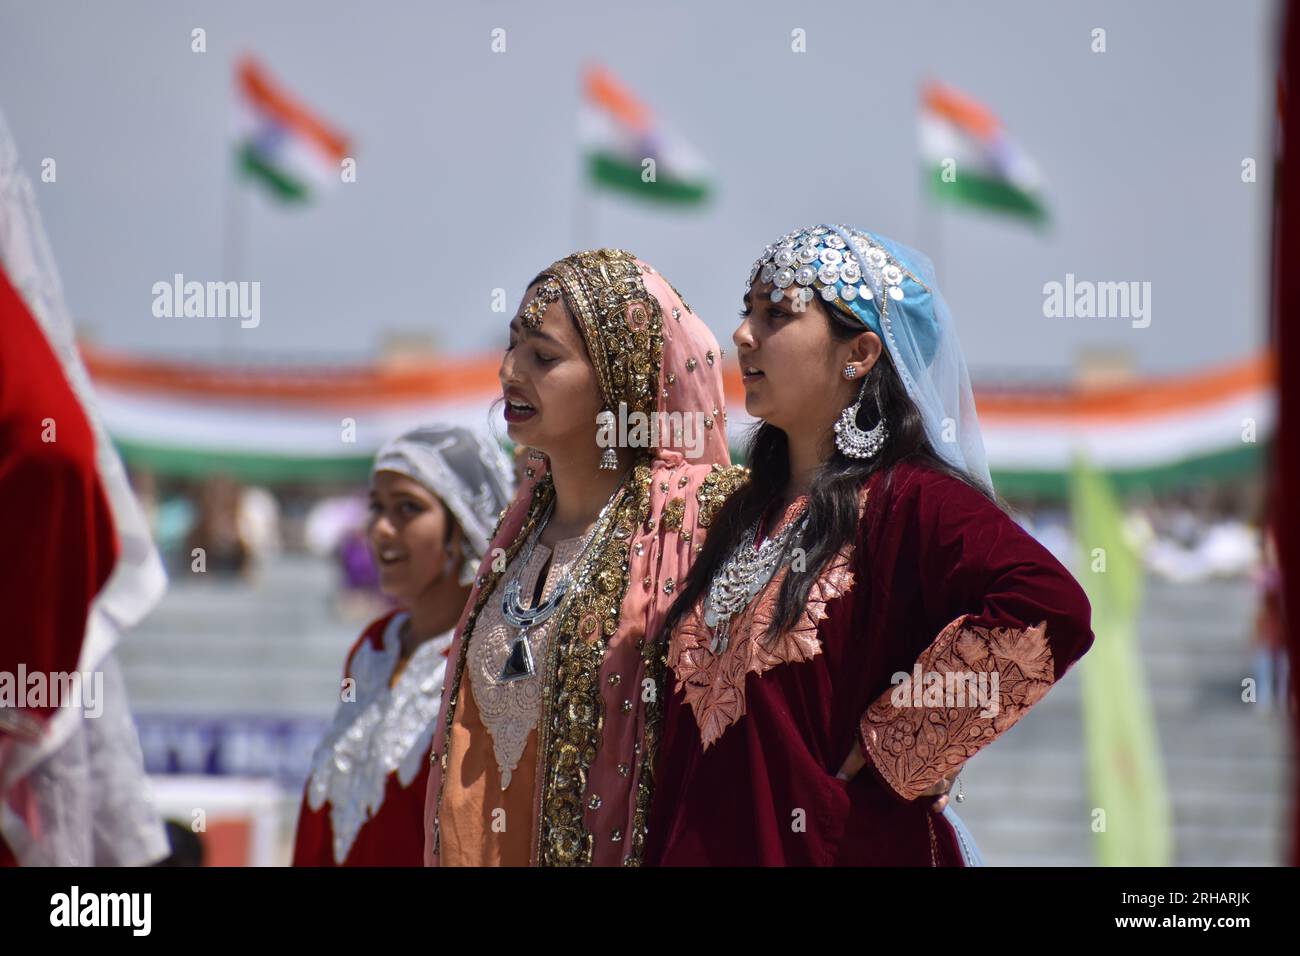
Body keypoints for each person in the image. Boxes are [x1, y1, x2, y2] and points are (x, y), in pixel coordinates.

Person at [645, 224, 1095, 866]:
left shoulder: (908, 500)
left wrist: (906, 739)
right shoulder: (743, 513)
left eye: (777, 315)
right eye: (748, 312)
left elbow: (1050, 604)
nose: (743, 335)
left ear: (858, 354)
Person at [425, 249, 744, 866]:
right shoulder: (516, 531)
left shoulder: (696, 526)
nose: (509, 369)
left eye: (543, 357)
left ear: (617, 381)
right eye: (512, 344)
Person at [292, 425, 513, 866]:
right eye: (376, 507)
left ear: (463, 523)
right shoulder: (374, 645)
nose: (382, 530)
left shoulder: (491, 658)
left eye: (408, 508)